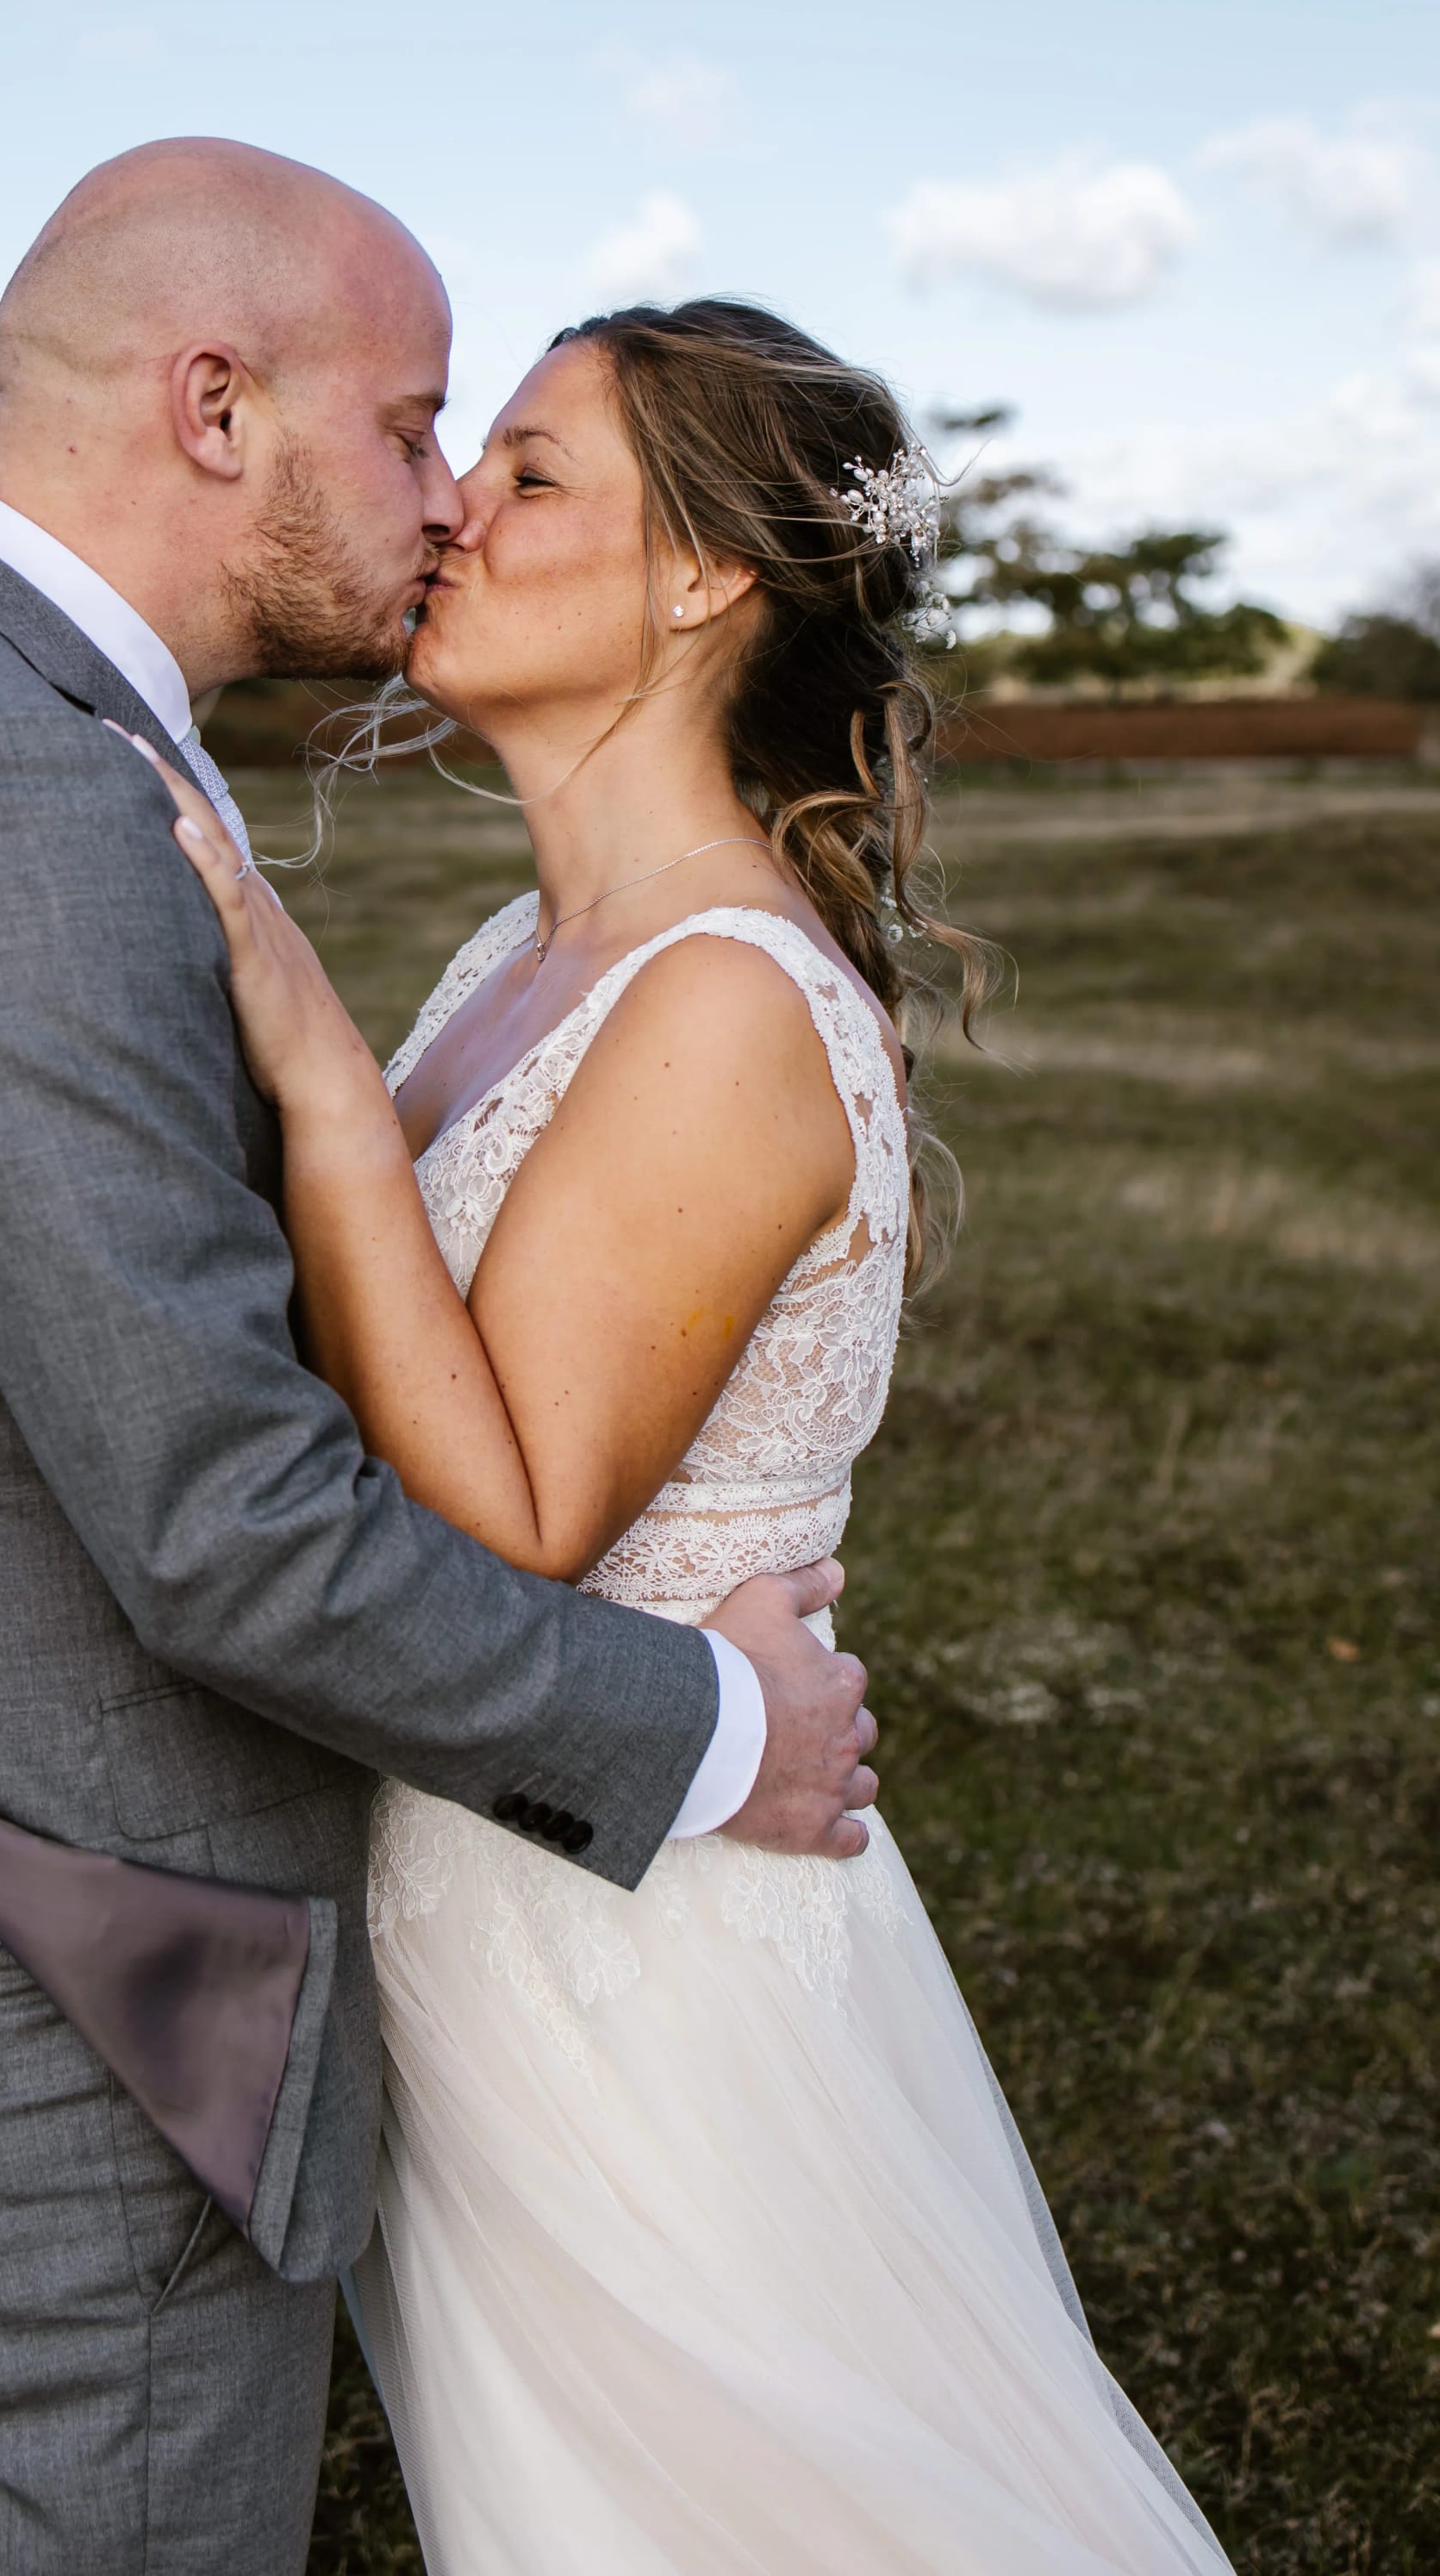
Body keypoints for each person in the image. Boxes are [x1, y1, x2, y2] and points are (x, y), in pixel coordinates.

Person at [0, 143, 876, 2575]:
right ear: (218, 409)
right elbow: (224, 1523)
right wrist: (718, 1726)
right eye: (427, 428)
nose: (437, 506)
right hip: (61, 1981)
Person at [150, 295, 1235, 2572]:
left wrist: (318, 1087)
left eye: (536, 475)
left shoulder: (724, 999)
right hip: (502, 1884)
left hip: (633, 1965)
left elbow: (519, 1516)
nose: (456, 507)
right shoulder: (515, 959)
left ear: (708, 578)